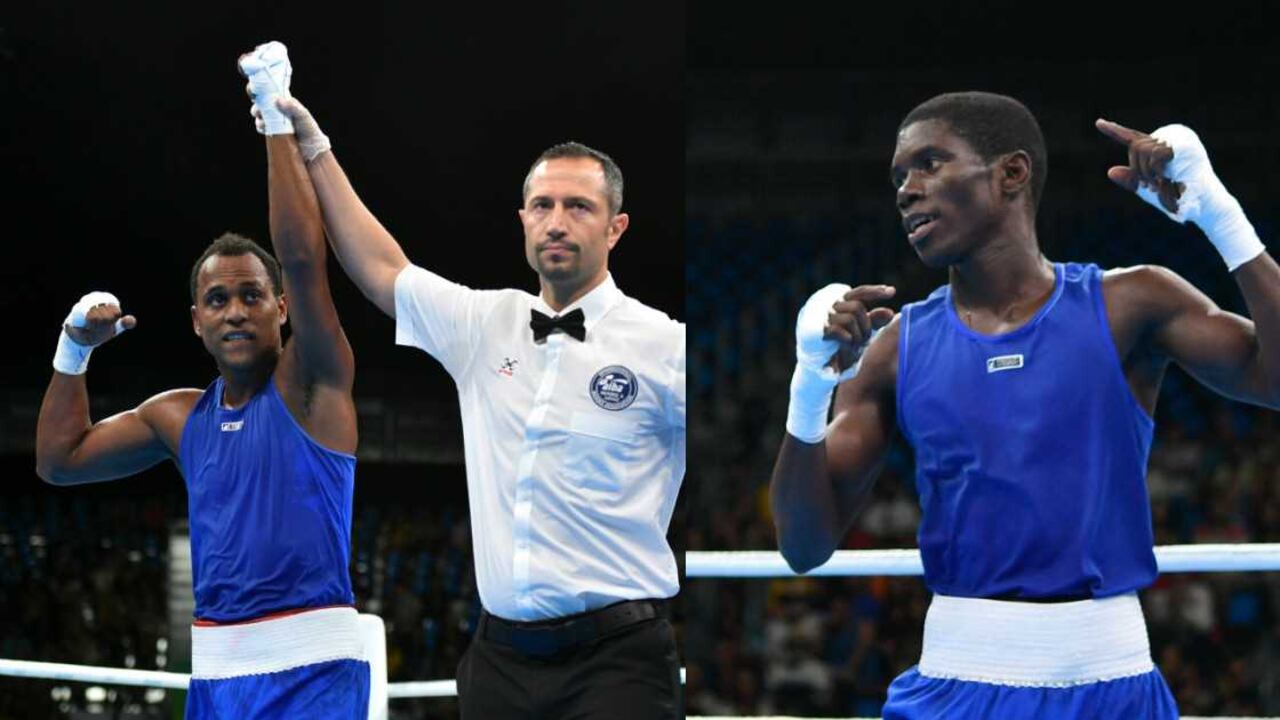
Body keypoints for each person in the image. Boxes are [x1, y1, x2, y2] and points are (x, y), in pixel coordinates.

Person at [769, 90, 1280, 718]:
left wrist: (1220, 216)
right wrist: (809, 386)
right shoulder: (894, 345)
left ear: (1012, 172)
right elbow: (803, 544)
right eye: (900, 176)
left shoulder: (1132, 303)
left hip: (1113, 684)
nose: (907, 189)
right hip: (954, 685)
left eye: (930, 163)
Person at [240, 42, 686, 719]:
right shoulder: (487, 323)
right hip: (499, 663)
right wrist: (315, 146)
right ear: (523, 221)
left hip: (618, 663)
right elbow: (381, 267)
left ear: (616, 227)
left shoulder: (667, 346)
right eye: (541, 206)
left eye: (578, 207)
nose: (557, 221)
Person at [35, 42, 367, 718]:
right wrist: (74, 350)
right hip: (216, 675)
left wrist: (276, 117)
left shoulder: (313, 384)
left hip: (316, 671)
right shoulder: (180, 418)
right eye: (218, 300)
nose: (236, 311)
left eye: (251, 295)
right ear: (195, 322)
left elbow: (303, 261)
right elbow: (59, 462)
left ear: (280, 309)